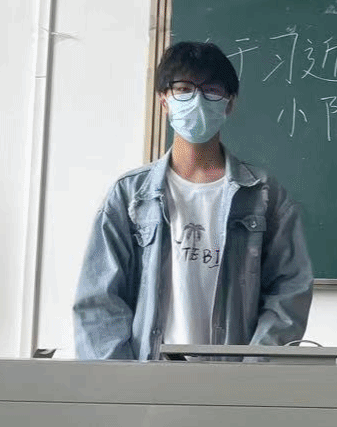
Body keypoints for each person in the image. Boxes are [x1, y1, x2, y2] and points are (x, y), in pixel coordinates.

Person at [73, 41, 313, 358]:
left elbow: (290, 290)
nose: (197, 100)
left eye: (211, 90)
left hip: (233, 378)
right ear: (164, 101)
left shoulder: (263, 194)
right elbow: (99, 300)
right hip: (149, 372)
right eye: (184, 89)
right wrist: (124, 378)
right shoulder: (131, 195)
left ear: (229, 103)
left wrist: (253, 369)